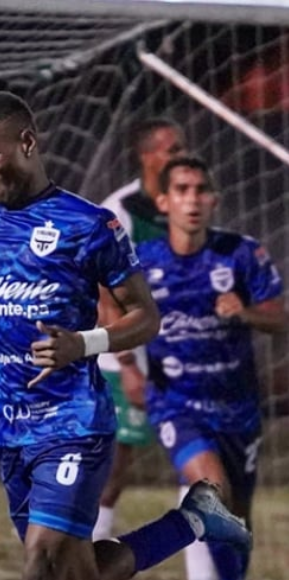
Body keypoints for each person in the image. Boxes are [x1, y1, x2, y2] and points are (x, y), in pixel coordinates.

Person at [0, 91, 251, 580]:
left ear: (27, 142)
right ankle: (195, 520)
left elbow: (146, 317)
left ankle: (195, 521)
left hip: (72, 422)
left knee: (40, 560)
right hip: (11, 428)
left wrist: (83, 343)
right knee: (72, 572)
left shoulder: (87, 223)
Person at [134, 156, 288, 580]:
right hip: (176, 404)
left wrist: (245, 312)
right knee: (213, 491)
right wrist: (126, 364)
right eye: (182, 190)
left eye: (201, 190)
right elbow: (108, 303)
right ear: (163, 202)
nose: (193, 199)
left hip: (238, 407)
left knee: (237, 518)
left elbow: (279, 317)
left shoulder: (241, 253)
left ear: (215, 199)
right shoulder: (142, 262)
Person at [93, 117, 187, 541]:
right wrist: (129, 365)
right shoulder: (120, 211)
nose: (182, 156)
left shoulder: (181, 204)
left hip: (176, 350)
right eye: (173, 149)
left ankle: (204, 558)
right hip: (125, 354)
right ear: (147, 157)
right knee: (114, 468)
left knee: (198, 462)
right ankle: (85, 557)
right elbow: (104, 297)